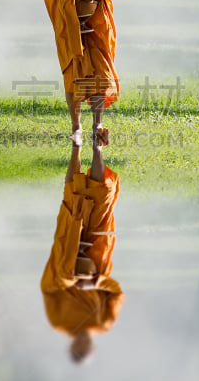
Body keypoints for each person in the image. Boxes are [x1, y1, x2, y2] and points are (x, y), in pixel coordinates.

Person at [42, 0, 126, 147]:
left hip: (99, 20)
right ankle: (76, 125)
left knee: (100, 73)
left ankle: (97, 123)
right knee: (74, 72)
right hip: (69, 22)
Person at [40, 129, 124, 363]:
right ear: (92, 348)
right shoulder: (104, 322)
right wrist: (94, 282)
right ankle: (97, 148)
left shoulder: (59, 322)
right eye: (86, 348)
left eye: (78, 348)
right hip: (96, 256)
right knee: (101, 197)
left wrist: (69, 277)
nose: (82, 343)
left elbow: (48, 288)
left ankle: (76, 145)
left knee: (73, 198)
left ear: (71, 347)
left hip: (67, 252)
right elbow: (117, 292)